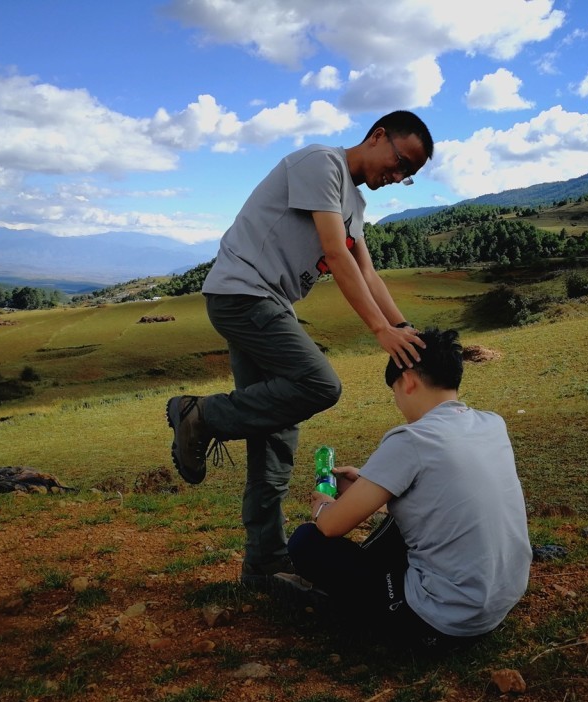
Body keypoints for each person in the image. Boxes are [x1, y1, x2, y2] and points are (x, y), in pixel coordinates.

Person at [167, 110, 434, 591]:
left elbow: (366, 272)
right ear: (377, 137)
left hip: (270, 301)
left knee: (274, 436)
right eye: (399, 163)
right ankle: (198, 416)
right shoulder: (321, 164)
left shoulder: (354, 204)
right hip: (243, 294)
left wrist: (406, 330)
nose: (397, 177)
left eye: (407, 176)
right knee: (319, 384)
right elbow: (334, 253)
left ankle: (263, 565)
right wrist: (380, 331)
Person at [284, 328, 532, 652]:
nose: (398, 403)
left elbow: (330, 526)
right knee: (400, 521)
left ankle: (371, 617)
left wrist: (322, 506)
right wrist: (368, 483)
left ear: (408, 380)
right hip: (498, 603)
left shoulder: (412, 439)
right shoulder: (491, 424)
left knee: (307, 541)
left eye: (395, 393)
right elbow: (439, 495)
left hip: (439, 623)